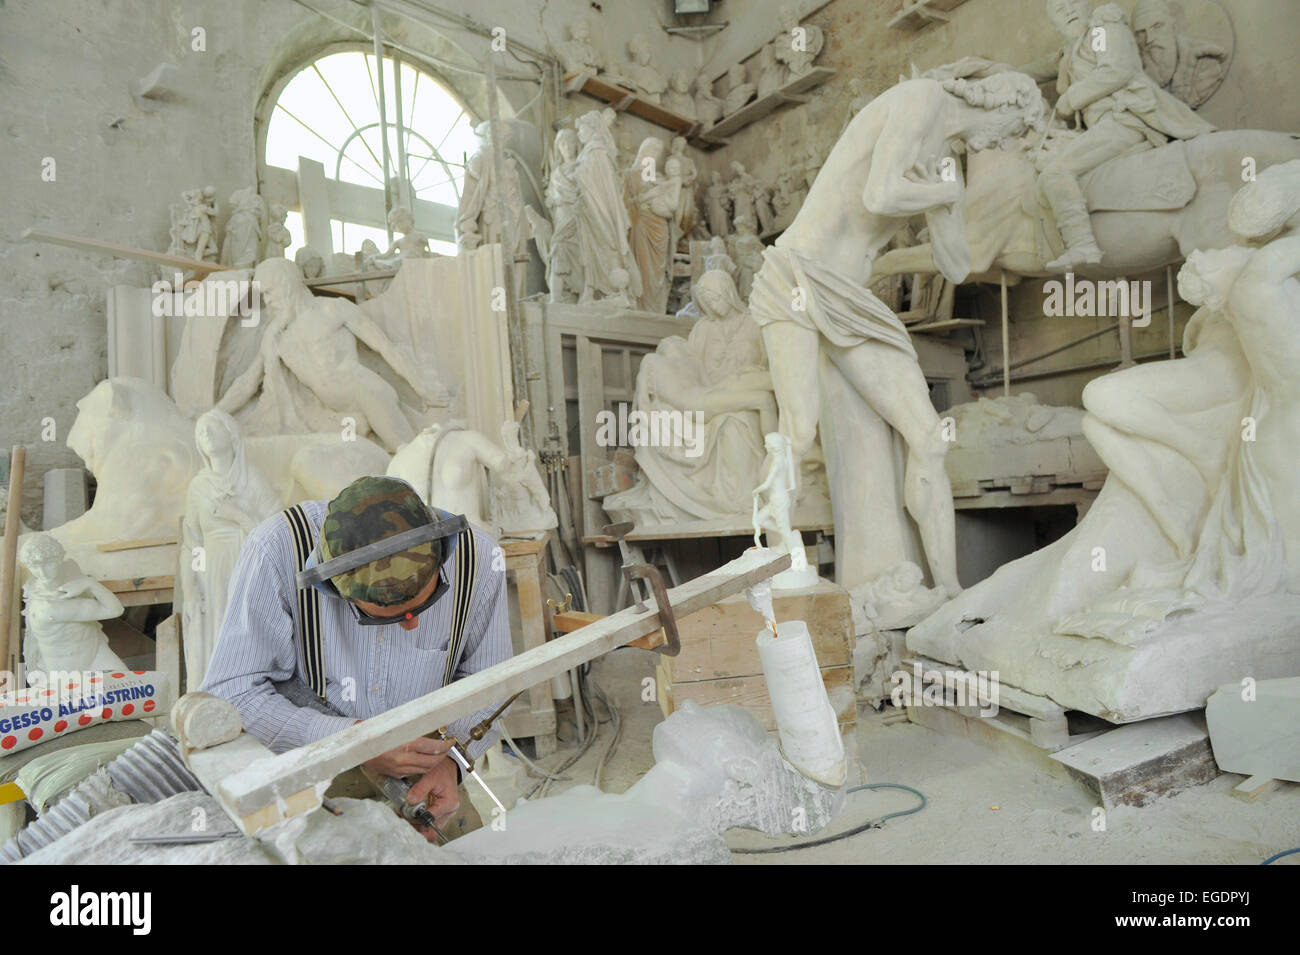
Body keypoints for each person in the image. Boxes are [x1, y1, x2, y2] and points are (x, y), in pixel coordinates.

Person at [202, 475, 512, 842]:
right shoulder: (274, 551)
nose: (411, 627)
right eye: (391, 615)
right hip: (309, 766)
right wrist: (352, 742)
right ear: (333, 586)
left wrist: (453, 763)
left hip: (426, 768)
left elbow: (490, 684)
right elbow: (231, 695)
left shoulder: (479, 560)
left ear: (441, 550)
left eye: (422, 608)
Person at [1023, 0, 1214, 269]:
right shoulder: (1069, 53)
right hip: (1103, 126)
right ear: (1054, 24)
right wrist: (987, 75)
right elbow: (1031, 70)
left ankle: (1082, 245)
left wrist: (1070, 99)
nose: (1066, 10)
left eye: (1072, 2)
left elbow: (1115, 69)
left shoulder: (1101, 29)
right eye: (1058, 9)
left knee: (1056, 172)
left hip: (1125, 118)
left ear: (1087, 6)